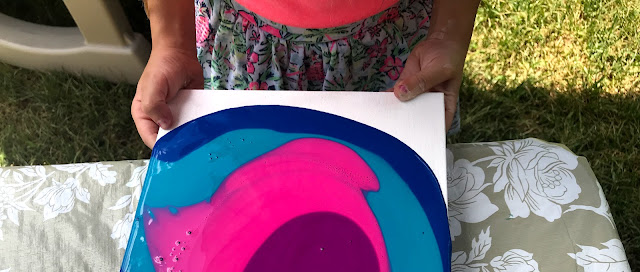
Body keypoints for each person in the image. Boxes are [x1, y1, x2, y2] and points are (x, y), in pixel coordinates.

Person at [133, 0, 480, 148]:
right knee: (252, 165)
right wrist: (172, 43)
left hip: (385, 46)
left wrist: (446, 34)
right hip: (246, 44)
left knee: (386, 175)